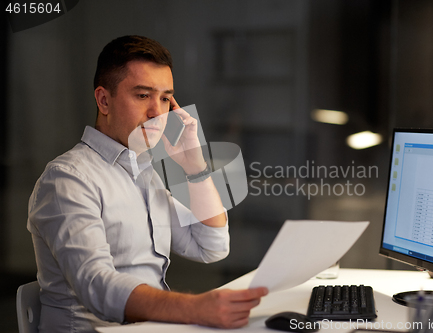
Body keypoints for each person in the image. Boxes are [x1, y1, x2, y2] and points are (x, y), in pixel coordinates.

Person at [27, 35, 268, 333]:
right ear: (104, 100)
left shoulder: (145, 171)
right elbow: (96, 286)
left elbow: (211, 246)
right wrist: (195, 309)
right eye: (143, 96)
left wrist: (194, 166)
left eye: (165, 98)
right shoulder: (67, 178)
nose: (157, 112)